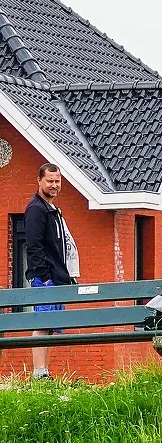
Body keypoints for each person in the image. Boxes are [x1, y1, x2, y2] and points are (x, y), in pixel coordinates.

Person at [18, 162, 76, 379]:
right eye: (50, 181)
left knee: (50, 326)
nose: (54, 185)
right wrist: (44, 278)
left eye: (57, 181)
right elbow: (33, 246)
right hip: (45, 280)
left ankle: (45, 372)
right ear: (39, 181)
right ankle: (39, 372)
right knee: (42, 324)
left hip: (56, 278)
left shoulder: (51, 210)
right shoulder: (36, 209)